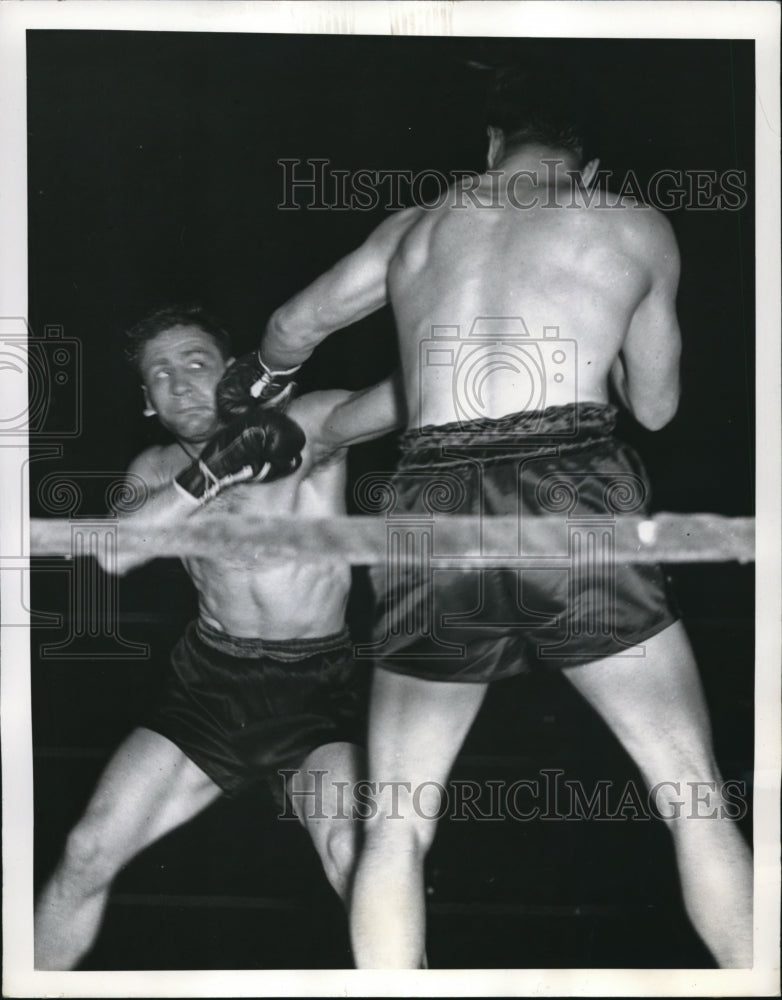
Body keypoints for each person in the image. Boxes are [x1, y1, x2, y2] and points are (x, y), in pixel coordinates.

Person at [215, 71, 754, 969]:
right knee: (691, 796)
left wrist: (264, 382)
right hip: (569, 484)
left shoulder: (417, 227)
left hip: (431, 496)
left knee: (395, 823)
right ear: (588, 166)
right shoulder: (632, 222)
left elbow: (293, 324)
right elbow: (657, 409)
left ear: (492, 145)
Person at [34, 305, 400, 970]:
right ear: (147, 402)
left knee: (356, 854)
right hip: (210, 685)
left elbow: (397, 402)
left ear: (234, 374)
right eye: (160, 375)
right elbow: (117, 553)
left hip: (318, 691)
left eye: (195, 363)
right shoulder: (153, 470)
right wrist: (217, 469)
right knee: (87, 851)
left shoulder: (305, 424)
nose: (179, 383)